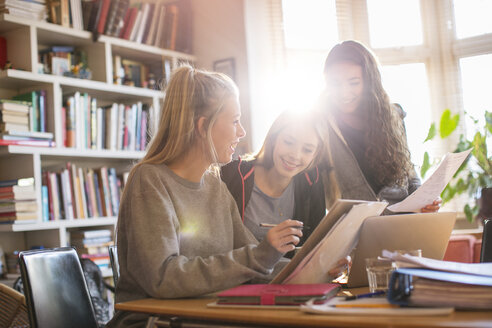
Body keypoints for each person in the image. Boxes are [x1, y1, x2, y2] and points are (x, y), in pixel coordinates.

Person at [107, 66, 343, 327]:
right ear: (203, 126)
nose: (241, 132)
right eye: (234, 121)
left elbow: (255, 264)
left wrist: (320, 270)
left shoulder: (215, 186)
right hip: (153, 320)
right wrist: (259, 256)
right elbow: (162, 278)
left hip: (206, 314)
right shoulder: (150, 181)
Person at [317, 40, 441, 212]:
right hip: (354, 227)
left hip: (400, 222)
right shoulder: (320, 123)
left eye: (353, 83)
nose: (344, 92)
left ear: (369, 82)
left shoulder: (393, 116)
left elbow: (409, 174)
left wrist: (425, 199)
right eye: (335, 83)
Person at [221, 110, 335, 247]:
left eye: (307, 150)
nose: (295, 155)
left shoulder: (312, 179)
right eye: (288, 142)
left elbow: (317, 243)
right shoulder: (233, 174)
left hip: (293, 268)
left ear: (316, 154)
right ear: (274, 139)